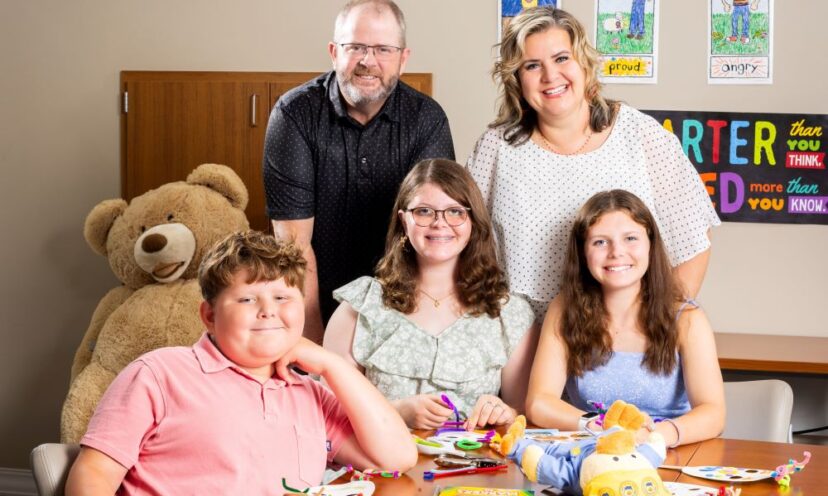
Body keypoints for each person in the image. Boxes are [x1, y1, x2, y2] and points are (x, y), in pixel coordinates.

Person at [65, 231, 416, 495]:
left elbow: (397, 457)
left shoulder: (309, 394)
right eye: (247, 298)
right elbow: (94, 474)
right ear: (209, 315)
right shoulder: (158, 375)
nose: (268, 310)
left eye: (282, 297)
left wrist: (331, 365)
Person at [467, 6, 720, 319]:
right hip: (522, 341)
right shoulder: (496, 148)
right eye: (532, 65)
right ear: (516, 80)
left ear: (584, 64)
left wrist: (653, 327)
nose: (550, 76)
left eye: (562, 58)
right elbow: (462, 245)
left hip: (620, 340)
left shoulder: (640, 135)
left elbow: (693, 241)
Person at [263, 0, 455, 345]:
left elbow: (434, 237)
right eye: (356, 48)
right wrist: (314, 342)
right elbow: (294, 246)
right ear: (334, 52)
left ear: (403, 57)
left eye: (383, 49)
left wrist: (415, 338)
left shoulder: (427, 120)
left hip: (404, 304)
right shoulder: (294, 114)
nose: (369, 61)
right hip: (313, 302)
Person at [323, 159, 537, 430]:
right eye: (424, 211)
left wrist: (505, 413)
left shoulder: (508, 313)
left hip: (480, 469)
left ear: (472, 222)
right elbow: (327, 412)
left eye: (455, 212)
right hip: (381, 468)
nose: (439, 223)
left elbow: (524, 414)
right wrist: (395, 412)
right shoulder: (359, 307)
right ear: (404, 221)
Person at [525, 190, 725, 447]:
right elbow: (539, 402)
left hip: (668, 452)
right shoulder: (564, 309)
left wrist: (655, 437)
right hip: (594, 451)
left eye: (631, 238)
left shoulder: (687, 318)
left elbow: (713, 412)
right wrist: (599, 426)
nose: (616, 252)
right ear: (583, 252)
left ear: (651, 244)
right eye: (600, 242)